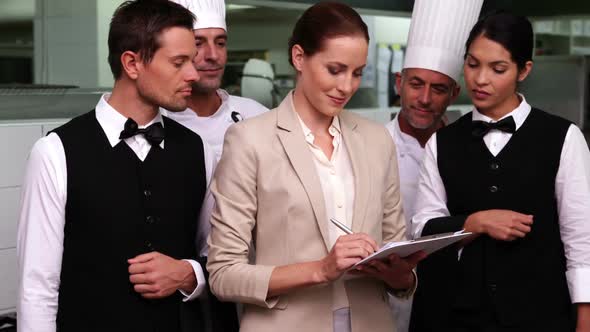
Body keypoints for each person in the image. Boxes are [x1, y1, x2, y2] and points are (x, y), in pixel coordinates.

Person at [205, 3, 425, 332]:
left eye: (357, 72)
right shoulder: (250, 140)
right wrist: (322, 269)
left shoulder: (377, 140)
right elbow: (223, 275)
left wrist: (402, 276)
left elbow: (395, 248)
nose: (347, 86)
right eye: (335, 69)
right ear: (298, 58)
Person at [17, 1, 216, 331]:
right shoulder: (55, 153)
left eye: (191, 63)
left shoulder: (198, 150)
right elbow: (37, 290)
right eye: (179, 63)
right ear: (132, 63)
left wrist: (189, 274)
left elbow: (218, 259)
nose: (194, 75)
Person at [411, 11, 590, 331]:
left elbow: (582, 242)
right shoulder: (441, 142)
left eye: (498, 69)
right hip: (458, 316)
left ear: (524, 70)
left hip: (541, 316)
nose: (480, 79)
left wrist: (585, 321)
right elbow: (423, 229)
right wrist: (472, 222)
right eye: (472, 63)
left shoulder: (564, 138)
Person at [383, 1, 482, 331]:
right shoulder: (370, 146)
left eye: (438, 88)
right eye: (415, 84)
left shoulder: (473, 150)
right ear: (399, 82)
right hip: (383, 298)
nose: (425, 99)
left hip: (454, 302)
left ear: (454, 93)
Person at [164, 0, 268, 162]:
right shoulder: (155, 124)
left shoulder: (257, 116)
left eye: (220, 43)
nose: (213, 55)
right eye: (197, 44)